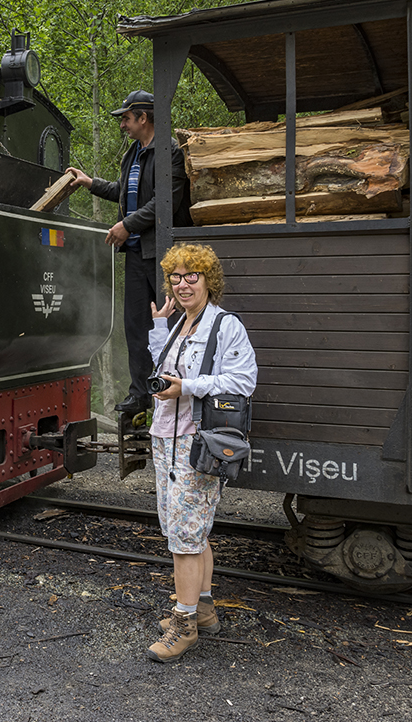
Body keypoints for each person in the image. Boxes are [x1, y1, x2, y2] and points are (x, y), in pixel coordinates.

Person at [143, 243, 257, 662]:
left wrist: (188, 387)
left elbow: (243, 381)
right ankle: (205, 608)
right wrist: (159, 327)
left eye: (193, 275)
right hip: (165, 437)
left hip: (197, 442)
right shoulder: (180, 324)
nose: (183, 282)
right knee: (187, 530)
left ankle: (185, 624)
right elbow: (162, 373)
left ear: (210, 280)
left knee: (184, 538)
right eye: (176, 275)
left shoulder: (225, 325)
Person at [64, 89, 189, 414]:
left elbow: (164, 202)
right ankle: (140, 394)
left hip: (162, 254)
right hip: (135, 256)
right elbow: (125, 193)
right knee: (135, 326)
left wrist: (127, 226)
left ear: (143, 118)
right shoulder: (133, 154)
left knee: (171, 324)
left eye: (126, 119)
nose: (123, 125)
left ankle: (173, 388)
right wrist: (90, 183)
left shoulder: (170, 153)